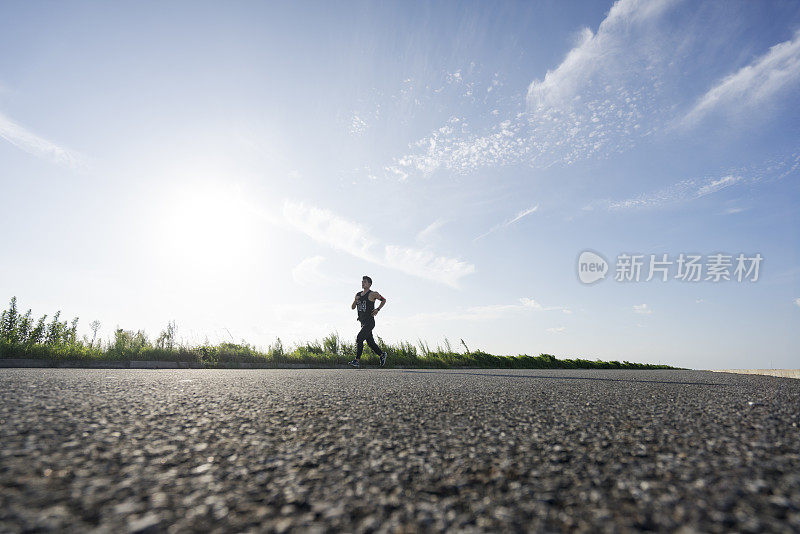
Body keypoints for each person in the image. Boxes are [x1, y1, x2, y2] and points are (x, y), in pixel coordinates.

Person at [348, 275, 387, 368]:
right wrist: (355, 300)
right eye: (362, 281)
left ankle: (356, 361)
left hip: (370, 322)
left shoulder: (373, 294)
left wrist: (378, 309)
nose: (363, 283)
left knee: (359, 338)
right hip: (362, 322)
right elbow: (353, 307)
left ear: (369, 284)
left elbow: (384, 300)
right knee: (370, 342)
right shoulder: (358, 294)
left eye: (365, 282)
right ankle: (382, 355)